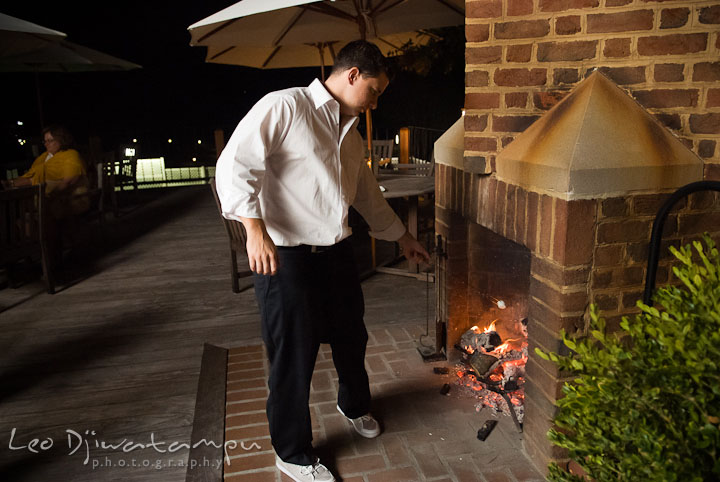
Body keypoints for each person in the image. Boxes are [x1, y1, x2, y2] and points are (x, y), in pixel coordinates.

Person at [215, 40, 430, 482]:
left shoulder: (348, 132)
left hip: (337, 254)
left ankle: (354, 405)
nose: (375, 102)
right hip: (286, 258)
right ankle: (291, 453)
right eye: (374, 90)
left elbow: (367, 196)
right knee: (295, 355)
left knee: (353, 337)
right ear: (352, 75)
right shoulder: (286, 106)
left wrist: (404, 237)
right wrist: (254, 230)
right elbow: (234, 167)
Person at [7, 125, 90, 267]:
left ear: (61, 140)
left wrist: (50, 194)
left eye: (50, 140)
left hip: (65, 198)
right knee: (12, 213)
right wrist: (10, 183)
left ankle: (50, 257)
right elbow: (31, 176)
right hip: (37, 197)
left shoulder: (70, 155)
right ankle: (15, 253)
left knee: (43, 213)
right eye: (45, 141)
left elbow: (70, 180)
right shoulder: (43, 158)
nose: (46, 144)